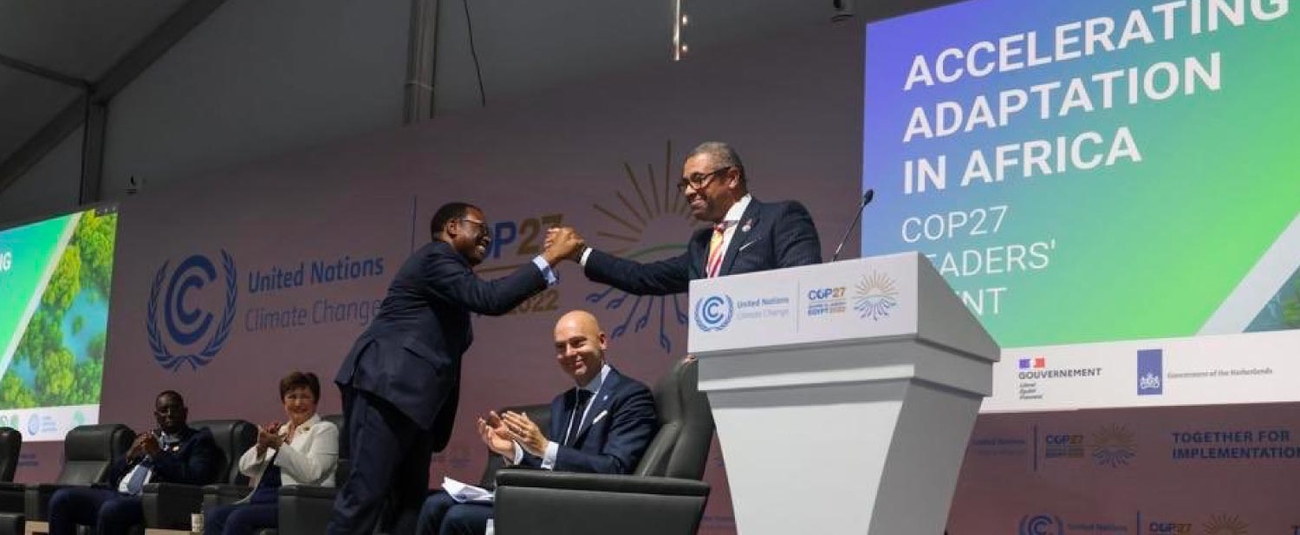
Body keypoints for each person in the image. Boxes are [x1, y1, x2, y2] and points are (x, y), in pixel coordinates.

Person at [328, 202, 585, 535]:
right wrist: (550, 258)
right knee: (364, 496)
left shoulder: (451, 279)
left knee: (408, 507)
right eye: (480, 228)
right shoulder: (437, 257)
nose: (488, 237)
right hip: (387, 388)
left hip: (415, 406)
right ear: (452, 227)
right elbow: (490, 299)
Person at [416, 310, 657, 535]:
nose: (569, 353)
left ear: (602, 341)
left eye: (578, 343)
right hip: (549, 500)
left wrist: (543, 447)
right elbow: (553, 465)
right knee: (434, 504)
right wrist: (513, 451)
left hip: (586, 512)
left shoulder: (631, 396)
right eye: (561, 347)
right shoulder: (562, 402)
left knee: (458, 518)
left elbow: (614, 469)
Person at [552, 141, 822, 294]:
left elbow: (802, 288)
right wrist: (581, 253)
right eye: (685, 184)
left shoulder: (780, 218)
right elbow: (643, 277)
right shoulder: (701, 245)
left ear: (732, 177)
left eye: (698, 180)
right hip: (712, 371)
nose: (689, 192)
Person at [48, 390, 221, 535]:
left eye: (175, 408)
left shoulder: (198, 440)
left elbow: (195, 478)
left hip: (152, 501)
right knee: (61, 499)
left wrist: (158, 454)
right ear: (156, 415)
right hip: (117, 494)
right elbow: (112, 477)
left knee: (111, 509)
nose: (169, 414)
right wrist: (129, 454)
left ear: (185, 412)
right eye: (164, 410)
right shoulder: (147, 437)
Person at [204, 371, 339, 535]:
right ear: (284, 402)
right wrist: (261, 447)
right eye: (292, 396)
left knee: (238, 518)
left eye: (305, 396)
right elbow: (245, 468)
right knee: (214, 516)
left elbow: (312, 473)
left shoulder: (324, 430)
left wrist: (279, 445)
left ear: (315, 401)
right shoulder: (280, 431)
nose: (298, 403)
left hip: (296, 503)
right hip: (260, 500)